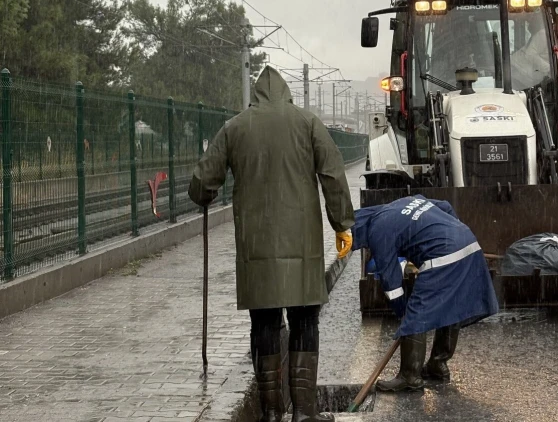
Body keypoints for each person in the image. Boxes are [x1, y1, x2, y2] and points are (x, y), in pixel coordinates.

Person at [188, 65, 354, 422]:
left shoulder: (234, 128)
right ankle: (304, 413)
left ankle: (272, 414)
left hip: (256, 248)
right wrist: (342, 224)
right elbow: (333, 175)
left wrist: (205, 194)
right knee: (305, 322)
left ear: (256, 95)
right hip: (303, 247)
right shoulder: (308, 123)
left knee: (264, 324)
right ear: (286, 93)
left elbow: (202, 183)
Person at [350, 195, 499, 392]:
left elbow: (390, 279)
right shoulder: (403, 202)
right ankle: (438, 365)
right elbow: (445, 206)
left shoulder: (377, 231)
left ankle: (410, 376)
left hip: (443, 255)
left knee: (416, 313)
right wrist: (452, 232)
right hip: (469, 244)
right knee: (450, 306)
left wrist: (403, 311)